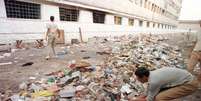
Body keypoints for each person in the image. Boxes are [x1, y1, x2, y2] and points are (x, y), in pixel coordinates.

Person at [130, 67, 198, 101]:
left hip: (189, 84)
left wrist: (134, 99)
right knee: (157, 93)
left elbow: (149, 99)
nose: (137, 80)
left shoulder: (154, 81)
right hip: (185, 78)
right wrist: (137, 98)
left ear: (144, 76)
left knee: (159, 98)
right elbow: (148, 91)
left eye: (138, 78)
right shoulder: (152, 74)